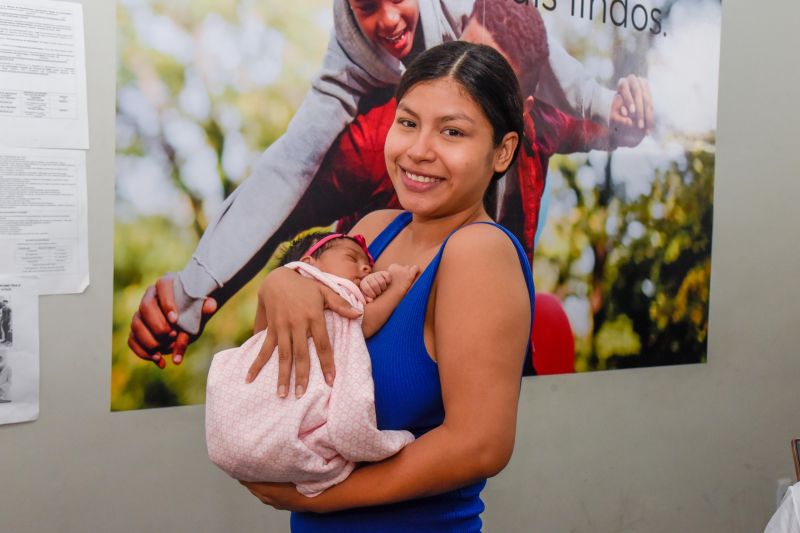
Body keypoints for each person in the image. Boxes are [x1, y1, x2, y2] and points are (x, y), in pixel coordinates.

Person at [129, 0, 653, 366]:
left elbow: (612, 120)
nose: (423, 151)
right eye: (413, 123)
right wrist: (196, 292)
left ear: (512, 132)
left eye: (471, 117)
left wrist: (627, 108)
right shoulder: (373, 147)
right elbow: (281, 192)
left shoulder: (538, 131)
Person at [238, 40, 535, 531]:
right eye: (408, 122)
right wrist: (281, 285)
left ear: (502, 151)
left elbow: (480, 445)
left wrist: (320, 498)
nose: (418, 150)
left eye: (453, 132)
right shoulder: (374, 231)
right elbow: (285, 367)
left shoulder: (478, 251)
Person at [206, 232, 417, 496]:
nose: (365, 267)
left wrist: (374, 284)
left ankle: (260, 446)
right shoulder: (316, 286)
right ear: (309, 263)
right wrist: (397, 287)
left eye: (368, 265)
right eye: (352, 258)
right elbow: (363, 320)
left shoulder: (344, 290)